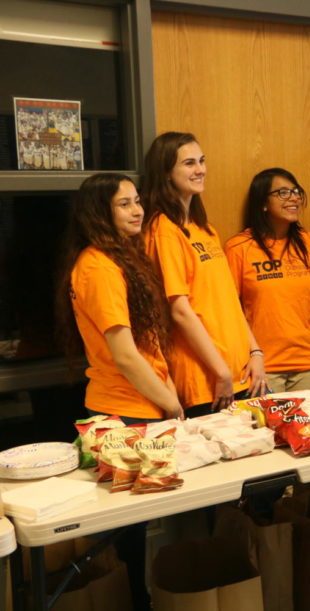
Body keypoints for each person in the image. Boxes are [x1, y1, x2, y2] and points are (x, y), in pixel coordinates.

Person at [56, 173, 184, 611]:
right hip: (120, 414)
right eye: (124, 204)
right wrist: (170, 402)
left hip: (143, 408)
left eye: (137, 201)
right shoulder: (96, 266)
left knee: (140, 529)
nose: (137, 210)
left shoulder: (122, 259)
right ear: (99, 213)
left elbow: (148, 348)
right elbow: (126, 357)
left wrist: (168, 394)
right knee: (124, 539)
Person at [143, 132, 266, 416]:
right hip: (208, 381)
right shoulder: (163, 230)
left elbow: (227, 300)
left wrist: (255, 352)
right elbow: (179, 310)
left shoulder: (204, 228)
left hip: (243, 373)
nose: (200, 169)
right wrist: (221, 372)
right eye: (188, 163)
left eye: (201, 161)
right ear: (165, 173)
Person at [225, 168, 310, 393]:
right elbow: (230, 309)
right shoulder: (239, 247)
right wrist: (253, 353)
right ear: (263, 203)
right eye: (282, 192)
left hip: (306, 362)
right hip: (262, 367)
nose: (293, 198)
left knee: (305, 427)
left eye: (296, 191)